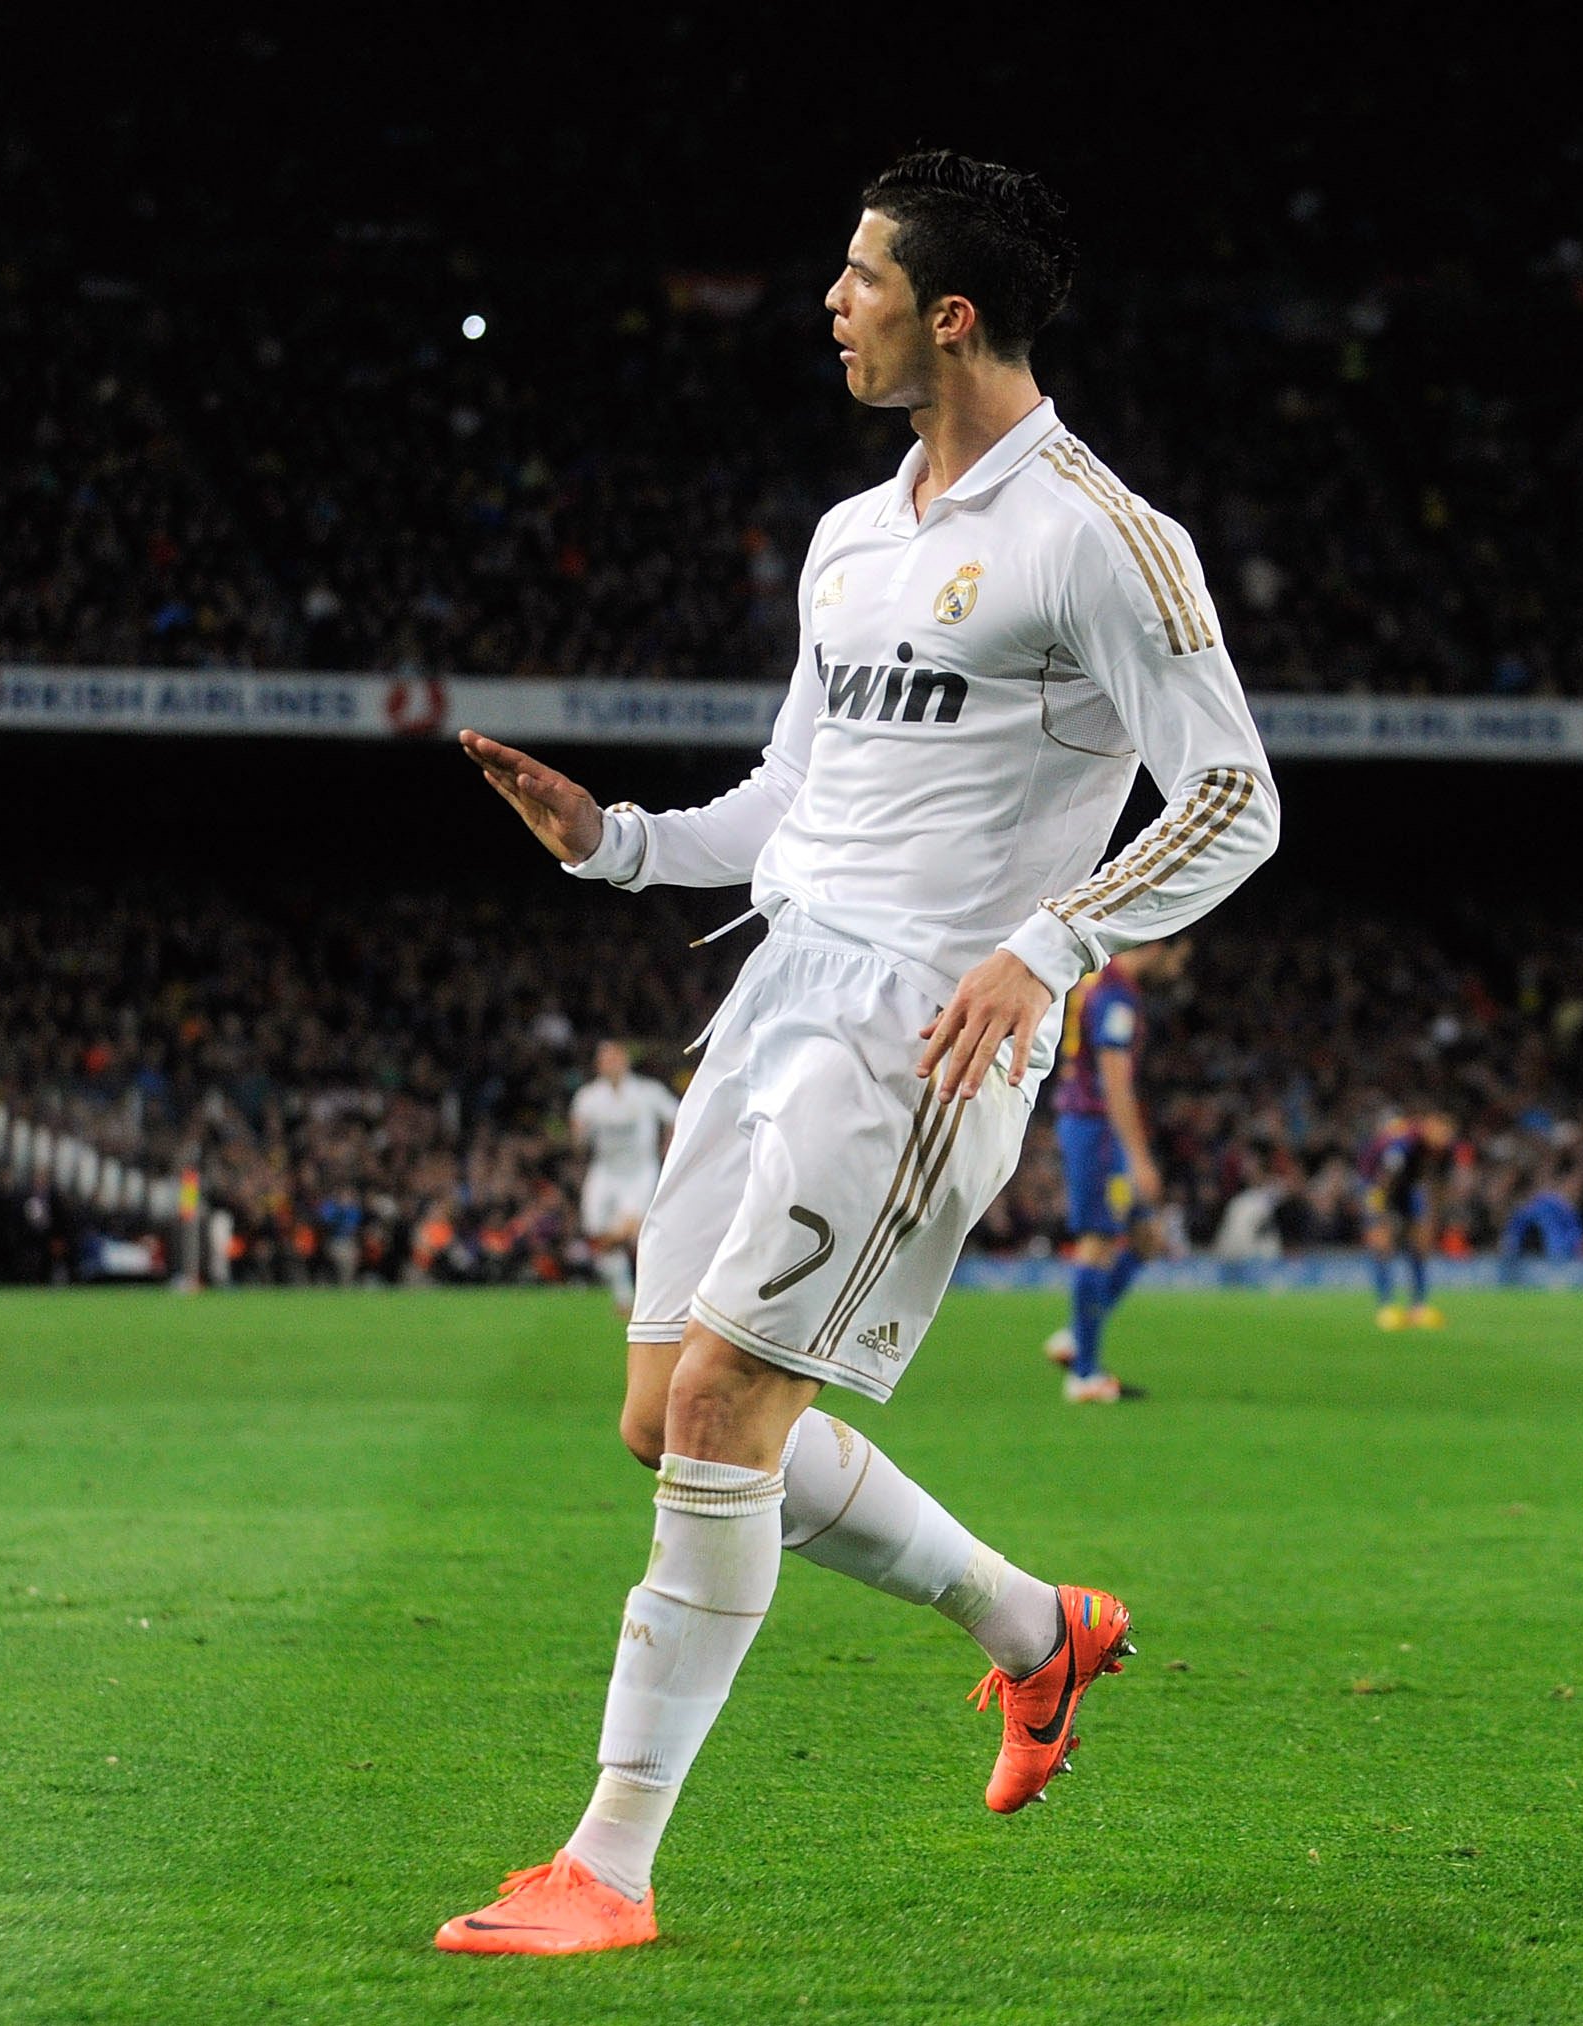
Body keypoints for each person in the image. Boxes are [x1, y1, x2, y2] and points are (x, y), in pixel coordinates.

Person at [441, 150, 1278, 1954]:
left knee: (733, 1413)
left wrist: (1047, 947)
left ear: (948, 312)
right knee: (665, 1419)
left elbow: (1235, 799)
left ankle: (610, 1865)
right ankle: (1034, 1627)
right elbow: (792, 801)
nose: (833, 302)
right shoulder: (852, 536)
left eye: (859, 276)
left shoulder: (1096, 537)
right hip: (775, 995)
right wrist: (619, 844)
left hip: (919, 1033)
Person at [1042, 938, 1187, 1401]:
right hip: (1097, 1128)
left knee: (1146, 1239)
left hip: (1093, 1125)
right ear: (1160, 945)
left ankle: (1075, 1335)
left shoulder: (1095, 980)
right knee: (1099, 1242)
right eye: (1180, 958)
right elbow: (1114, 1078)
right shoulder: (1115, 994)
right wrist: (1139, 1157)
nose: (1179, 970)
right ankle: (1084, 1376)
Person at [568, 1040, 682, 1314]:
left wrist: (670, 1144)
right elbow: (577, 1137)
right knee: (597, 1231)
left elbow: (678, 1116)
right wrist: (578, 1133)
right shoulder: (589, 1097)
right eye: (604, 1060)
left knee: (626, 1230)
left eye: (614, 1058)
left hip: (639, 1172)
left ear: (625, 1061)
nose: (610, 1064)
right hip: (605, 1171)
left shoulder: (647, 1091)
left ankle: (654, 1287)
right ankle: (624, 1296)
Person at [1361, 1111, 1457, 1328]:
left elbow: (1439, 1186)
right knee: (1382, 1244)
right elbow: (1385, 1177)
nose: (1444, 1138)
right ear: (1430, 1127)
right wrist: (1379, 1214)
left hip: (1409, 1188)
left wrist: (1431, 1221)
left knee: (1419, 1245)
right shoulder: (1404, 1143)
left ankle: (1418, 1308)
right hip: (1376, 1185)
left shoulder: (1446, 1149)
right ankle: (1385, 1307)